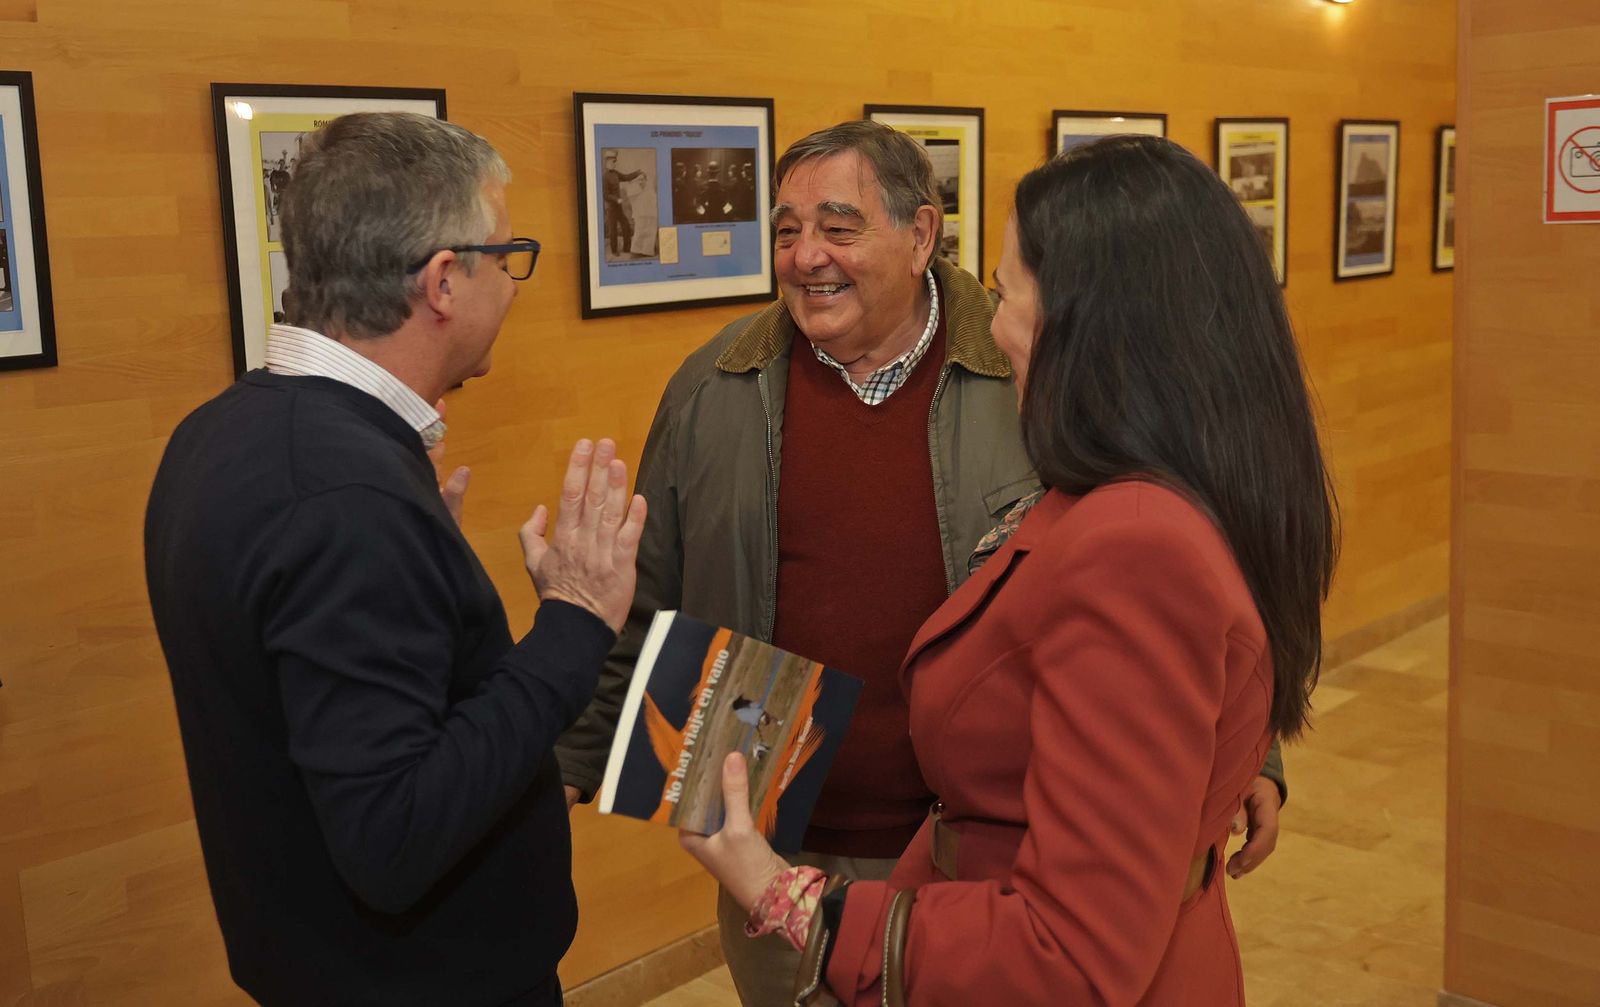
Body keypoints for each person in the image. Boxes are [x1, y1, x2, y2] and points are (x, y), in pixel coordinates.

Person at [681, 134, 1338, 1005]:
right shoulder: (718, 381)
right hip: (922, 910)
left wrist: (802, 906)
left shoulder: (1135, 543)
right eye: (789, 229)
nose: (993, 325)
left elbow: (1073, 951)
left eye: (1006, 292)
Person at [144, 111, 645, 1007]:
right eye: (507, 254)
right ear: (445, 280)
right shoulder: (346, 501)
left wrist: (416, 581)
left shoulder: (222, 433)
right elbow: (394, 838)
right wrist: (573, 622)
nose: (515, 283)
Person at [603, 149, 646, 257]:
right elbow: (605, 194)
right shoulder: (604, 177)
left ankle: (627, 249)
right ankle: (614, 251)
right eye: (613, 161)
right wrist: (616, 199)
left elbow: (626, 177)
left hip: (618, 206)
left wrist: (637, 172)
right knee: (613, 230)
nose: (614, 163)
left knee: (625, 225)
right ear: (607, 162)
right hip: (611, 207)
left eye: (615, 161)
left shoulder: (616, 173)